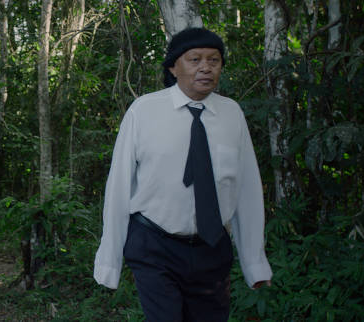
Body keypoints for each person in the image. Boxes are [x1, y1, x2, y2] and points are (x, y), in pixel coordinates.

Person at [93, 28, 272, 321]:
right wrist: (109, 262)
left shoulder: (232, 114)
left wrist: (255, 263)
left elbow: (247, 190)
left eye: (214, 60)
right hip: (154, 244)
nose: (205, 67)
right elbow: (119, 188)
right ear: (174, 67)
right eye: (195, 59)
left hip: (212, 249)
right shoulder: (144, 111)